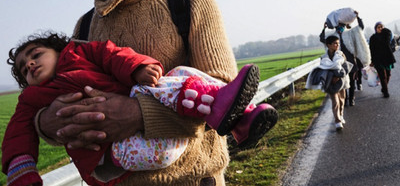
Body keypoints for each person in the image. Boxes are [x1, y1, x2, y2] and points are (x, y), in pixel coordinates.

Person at [3, 32, 278, 186]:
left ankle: (241, 121)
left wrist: (137, 69)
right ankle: (224, 112)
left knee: (181, 73)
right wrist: (46, 124)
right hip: (120, 154)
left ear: (58, 49)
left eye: (36, 55)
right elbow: (19, 131)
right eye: (23, 69)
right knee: (180, 85)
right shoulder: (33, 98)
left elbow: (112, 54)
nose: (29, 65)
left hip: (192, 176)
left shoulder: (79, 51)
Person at [320, 10, 370, 107]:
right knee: (342, 82)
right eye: (338, 26)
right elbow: (323, 40)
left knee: (351, 81)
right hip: (339, 63)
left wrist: (358, 17)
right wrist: (324, 28)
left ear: (344, 25)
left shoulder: (350, 33)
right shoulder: (333, 36)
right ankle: (345, 98)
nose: (339, 27)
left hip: (351, 62)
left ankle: (351, 99)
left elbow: (360, 28)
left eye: (341, 25)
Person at [306, 35, 353, 130]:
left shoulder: (341, 55)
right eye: (335, 43)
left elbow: (345, 67)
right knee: (335, 101)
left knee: (341, 100)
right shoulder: (324, 58)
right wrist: (331, 77)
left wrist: (337, 76)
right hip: (330, 83)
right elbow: (324, 69)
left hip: (342, 81)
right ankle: (337, 121)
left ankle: (341, 114)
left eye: (338, 43)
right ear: (328, 45)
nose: (337, 45)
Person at [369, 22, 396, 98]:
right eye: (378, 27)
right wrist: (372, 61)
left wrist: (384, 29)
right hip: (378, 60)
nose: (380, 28)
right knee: (382, 76)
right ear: (375, 29)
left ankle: (384, 88)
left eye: (381, 27)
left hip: (387, 58)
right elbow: (372, 50)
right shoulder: (373, 38)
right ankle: (386, 91)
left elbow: (388, 36)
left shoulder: (386, 35)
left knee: (388, 74)